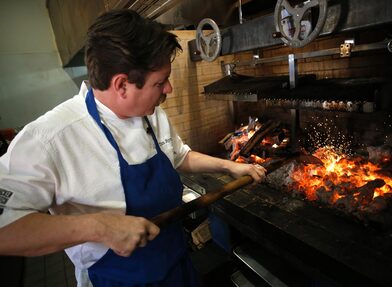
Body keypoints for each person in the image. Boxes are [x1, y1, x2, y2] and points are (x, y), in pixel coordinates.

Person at [0, 9, 266, 287]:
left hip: (176, 265)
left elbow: (180, 156)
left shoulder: (151, 114)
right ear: (122, 85)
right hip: (118, 280)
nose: (169, 89)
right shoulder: (51, 138)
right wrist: (99, 227)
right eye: (160, 82)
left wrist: (231, 166)